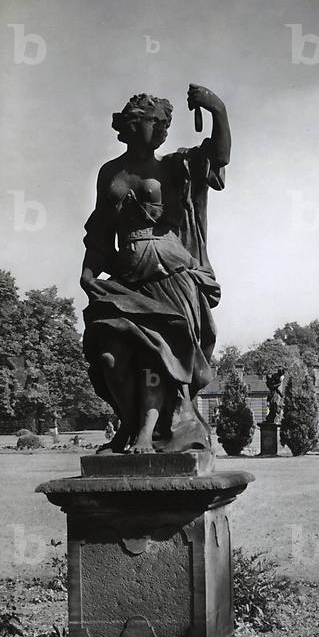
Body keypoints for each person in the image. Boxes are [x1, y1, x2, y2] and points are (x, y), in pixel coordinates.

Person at [80, 85, 231, 453]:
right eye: (155, 122)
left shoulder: (174, 166)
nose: (163, 129)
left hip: (170, 277)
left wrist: (217, 110)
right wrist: (88, 271)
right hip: (126, 281)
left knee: (156, 356)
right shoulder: (110, 173)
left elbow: (218, 157)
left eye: (166, 124)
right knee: (109, 356)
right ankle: (129, 427)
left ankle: (147, 435)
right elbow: (101, 229)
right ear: (132, 125)